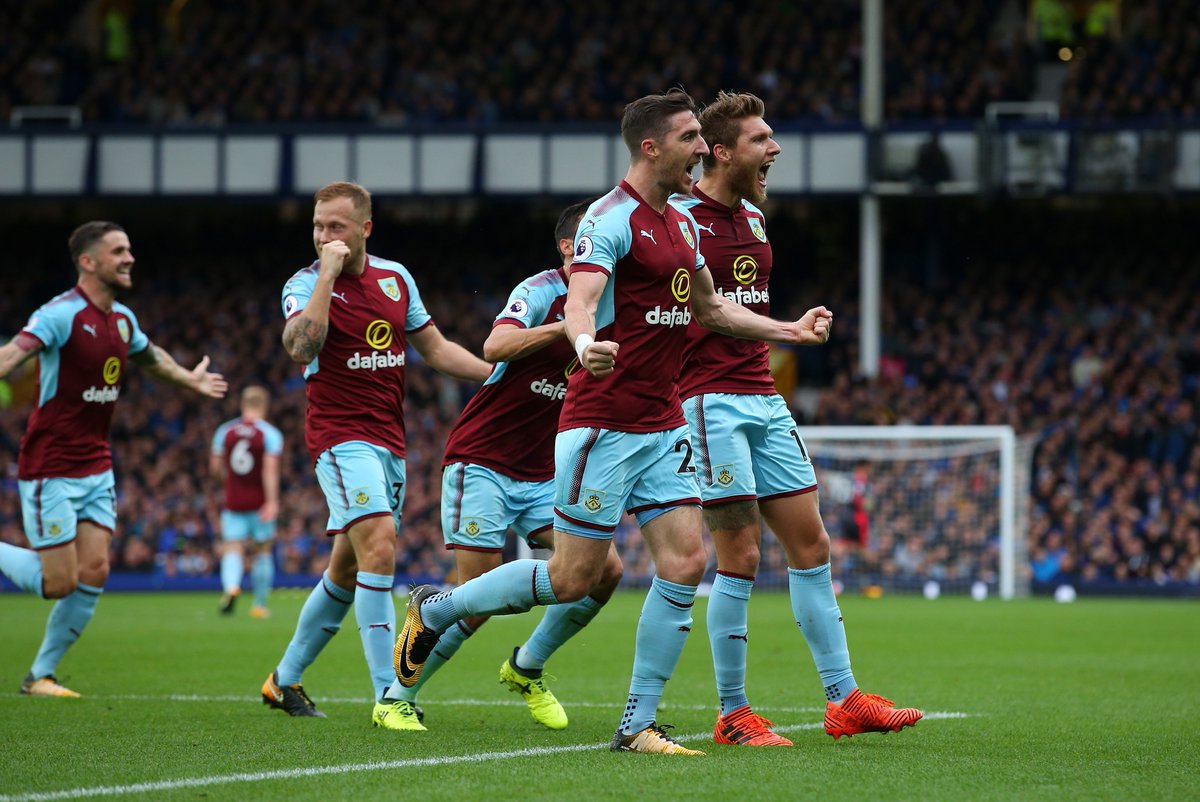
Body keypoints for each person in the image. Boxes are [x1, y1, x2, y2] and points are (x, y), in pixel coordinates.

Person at [395, 88, 834, 755]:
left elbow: (712, 310)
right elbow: (581, 300)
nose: (701, 150)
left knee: (686, 562)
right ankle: (437, 609)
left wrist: (788, 330)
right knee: (572, 578)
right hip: (601, 423)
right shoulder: (609, 219)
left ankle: (636, 724)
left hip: (663, 422)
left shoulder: (681, 222)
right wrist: (581, 343)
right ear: (651, 148)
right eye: (689, 139)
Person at [674, 91, 923, 745]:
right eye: (760, 140)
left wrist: (788, 328)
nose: (774, 148)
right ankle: (732, 713)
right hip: (709, 402)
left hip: (762, 397)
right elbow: (704, 312)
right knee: (740, 555)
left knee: (812, 547)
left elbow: (743, 305)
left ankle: (844, 700)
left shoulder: (755, 220)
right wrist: (789, 329)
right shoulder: (679, 220)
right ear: (720, 152)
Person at [260, 181, 491, 730]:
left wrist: (497, 378)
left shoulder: (396, 278)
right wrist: (327, 275)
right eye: (318, 227)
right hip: (339, 438)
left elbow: (436, 349)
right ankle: (389, 693)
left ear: (365, 228)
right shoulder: (304, 284)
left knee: (346, 569)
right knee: (381, 546)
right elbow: (300, 346)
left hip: (389, 441)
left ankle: (283, 680)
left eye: (336, 227)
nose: (325, 237)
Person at [387, 199, 624, 732]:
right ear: (571, 247)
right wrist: (565, 330)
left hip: (542, 472)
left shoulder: (614, 302)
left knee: (605, 570)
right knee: (476, 600)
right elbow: (495, 345)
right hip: (483, 460)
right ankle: (396, 697)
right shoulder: (541, 291)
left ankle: (526, 666)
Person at [0, 220, 228, 698]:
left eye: (129, 250)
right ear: (88, 261)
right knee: (57, 582)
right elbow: (12, 356)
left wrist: (189, 379)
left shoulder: (122, 319)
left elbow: (151, 357)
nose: (129, 258)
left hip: (96, 464)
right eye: (119, 251)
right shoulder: (60, 314)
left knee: (95, 571)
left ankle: (40, 676)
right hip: (50, 467)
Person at [210, 385, 283, 618]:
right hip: (260, 502)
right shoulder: (269, 434)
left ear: (243, 404)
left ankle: (231, 587)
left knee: (232, 547)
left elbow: (215, 468)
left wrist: (228, 481)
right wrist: (271, 501)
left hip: (234, 501)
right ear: (264, 406)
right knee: (262, 550)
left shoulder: (225, 431)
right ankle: (259, 605)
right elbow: (269, 470)